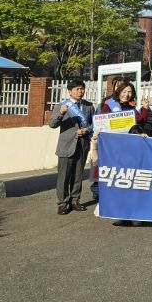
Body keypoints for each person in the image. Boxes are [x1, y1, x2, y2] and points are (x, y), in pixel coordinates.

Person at [49, 80, 95, 215]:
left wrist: (86, 130)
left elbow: (95, 123)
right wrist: (61, 113)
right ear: (70, 91)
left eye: (82, 89)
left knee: (78, 174)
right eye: (77, 89)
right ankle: (63, 203)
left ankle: (75, 200)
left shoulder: (89, 106)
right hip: (66, 145)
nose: (80, 91)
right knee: (64, 176)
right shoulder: (61, 105)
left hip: (82, 144)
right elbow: (52, 124)